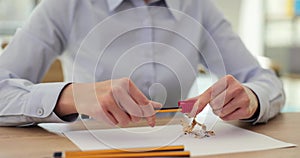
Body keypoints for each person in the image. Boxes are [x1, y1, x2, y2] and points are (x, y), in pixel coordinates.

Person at [0, 0, 285, 127]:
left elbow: (264, 80)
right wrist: (71, 96)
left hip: (180, 148)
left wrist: (251, 98)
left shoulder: (197, 6)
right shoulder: (65, 5)